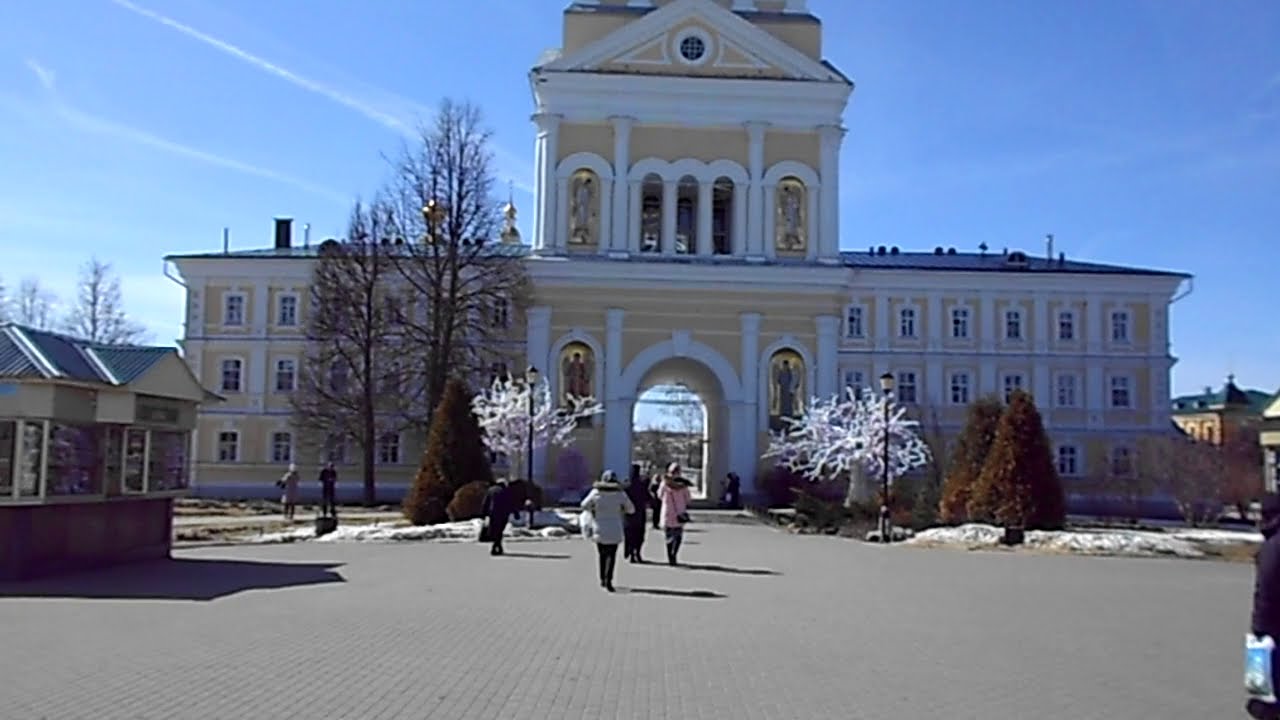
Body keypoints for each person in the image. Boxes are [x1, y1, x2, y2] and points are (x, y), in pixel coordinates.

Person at [1248, 494, 1280, 719]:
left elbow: (1266, 592)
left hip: (1270, 630)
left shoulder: (1272, 546)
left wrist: (1259, 629)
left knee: (1267, 693)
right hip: (1272, 628)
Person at [580, 470, 635, 592]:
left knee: (602, 554)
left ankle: (602, 579)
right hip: (614, 526)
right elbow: (631, 509)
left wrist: (594, 508)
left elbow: (584, 505)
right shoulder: (620, 493)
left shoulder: (596, 492)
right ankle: (609, 579)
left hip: (599, 526)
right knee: (612, 555)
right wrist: (621, 510)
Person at [658, 462, 694, 566]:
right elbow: (688, 499)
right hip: (679, 513)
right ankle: (675, 553)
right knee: (678, 536)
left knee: (668, 535)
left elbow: (659, 495)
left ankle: (670, 555)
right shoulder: (683, 485)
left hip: (667, 512)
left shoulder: (665, 483)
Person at [623, 463, 650, 563]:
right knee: (639, 535)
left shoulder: (626, 486)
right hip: (640, 514)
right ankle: (637, 552)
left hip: (628, 515)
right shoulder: (642, 485)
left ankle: (630, 552)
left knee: (629, 535)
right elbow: (648, 498)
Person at [481, 479, 515, 556]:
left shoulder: (490, 490)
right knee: (500, 531)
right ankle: (496, 546)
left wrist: (484, 514)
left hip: (493, 513)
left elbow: (486, 502)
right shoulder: (506, 491)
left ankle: (497, 546)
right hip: (503, 513)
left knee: (495, 530)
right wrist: (515, 513)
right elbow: (511, 503)